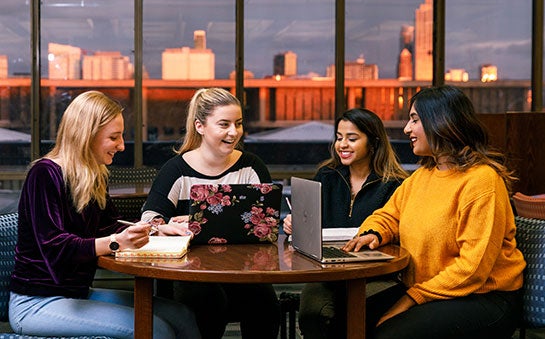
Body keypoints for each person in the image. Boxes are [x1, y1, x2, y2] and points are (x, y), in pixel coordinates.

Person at [9, 90, 200, 339]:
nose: (121, 146)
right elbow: (54, 248)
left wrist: (154, 229)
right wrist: (115, 242)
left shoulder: (93, 175)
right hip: (36, 303)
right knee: (157, 329)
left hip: (77, 293)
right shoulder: (45, 174)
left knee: (182, 315)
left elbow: (109, 226)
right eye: (114, 137)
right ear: (86, 135)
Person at [343, 85, 526, 339]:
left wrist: (410, 299)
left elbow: (472, 270)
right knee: (341, 321)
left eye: (414, 120)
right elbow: (388, 215)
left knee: (389, 335)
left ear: (441, 122)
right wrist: (373, 233)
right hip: (429, 290)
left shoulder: (482, 181)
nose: (407, 129)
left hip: (482, 296)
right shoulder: (423, 176)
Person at [141, 87, 281, 339]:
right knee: (207, 301)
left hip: (244, 271)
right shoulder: (176, 170)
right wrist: (164, 226)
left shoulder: (251, 167)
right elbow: (149, 218)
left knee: (266, 305)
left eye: (238, 124)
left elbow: (268, 223)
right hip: (190, 273)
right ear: (200, 126)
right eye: (224, 124)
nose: (233, 132)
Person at [282, 108, 409, 338]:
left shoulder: (395, 184)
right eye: (339, 138)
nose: (342, 145)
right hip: (327, 270)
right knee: (313, 314)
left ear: (373, 142)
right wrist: (294, 223)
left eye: (352, 138)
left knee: (354, 315)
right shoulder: (327, 175)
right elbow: (310, 223)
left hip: (374, 271)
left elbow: (400, 233)